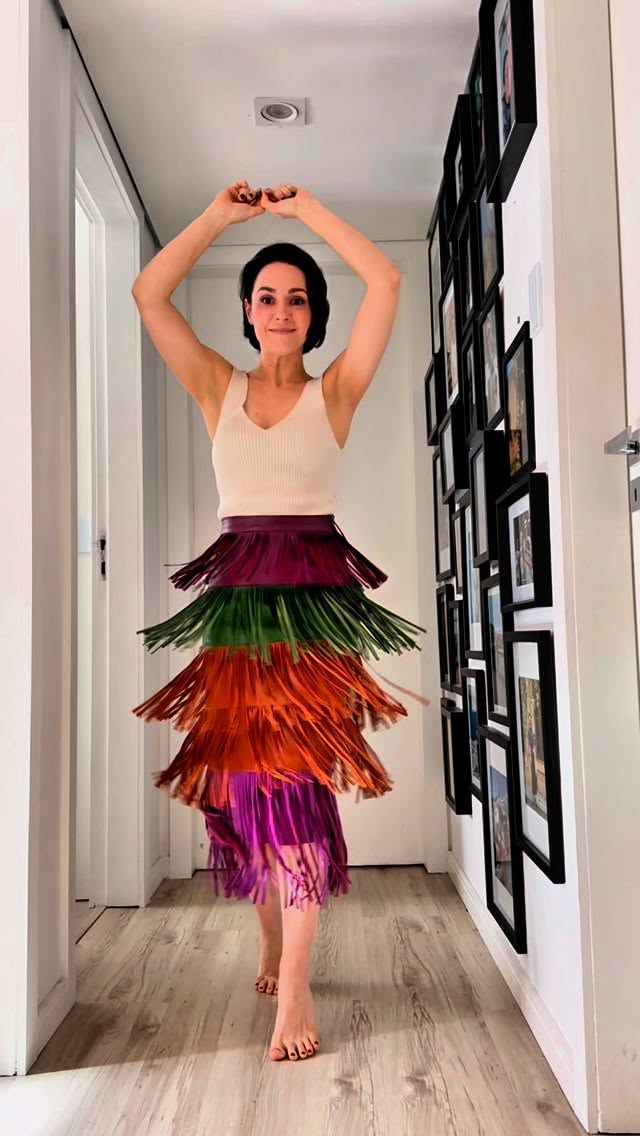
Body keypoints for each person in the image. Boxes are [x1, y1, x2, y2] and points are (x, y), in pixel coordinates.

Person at [130, 180, 425, 1063]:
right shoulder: (214, 385)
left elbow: (387, 282)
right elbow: (149, 293)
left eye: (298, 297)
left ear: (313, 314)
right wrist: (222, 218)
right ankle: (270, 939)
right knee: (241, 792)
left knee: (295, 789)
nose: (282, 309)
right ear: (248, 312)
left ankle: (294, 984)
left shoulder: (337, 393)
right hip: (237, 616)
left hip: (312, 618)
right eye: (267, 296)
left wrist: (306, 214)